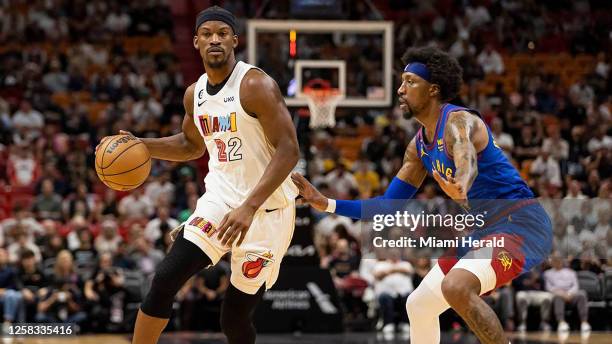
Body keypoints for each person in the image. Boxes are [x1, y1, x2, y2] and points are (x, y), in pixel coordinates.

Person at [293, 46, 552, 344]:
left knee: (455, 287)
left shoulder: (458, 121)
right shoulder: (418, 148)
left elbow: (465, 154)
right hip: (487, 231)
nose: (401, 90)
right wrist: (326, 203)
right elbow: (385, 208)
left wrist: (462, 183)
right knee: (419, 305)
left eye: (409, 82)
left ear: (433, 90)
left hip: (521, 224)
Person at [114, 6, 299, 344]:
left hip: (267, 211)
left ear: (234, 41)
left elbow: (289, 150)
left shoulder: (255, 84)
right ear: (196, 41)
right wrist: (141, 145)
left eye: (222, 34)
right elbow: (190, 145)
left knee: (234, 319)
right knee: (165, 278)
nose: (215, 39)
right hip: (220, 202)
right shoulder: (194, 94)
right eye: (208, 34)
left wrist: (249, 207)